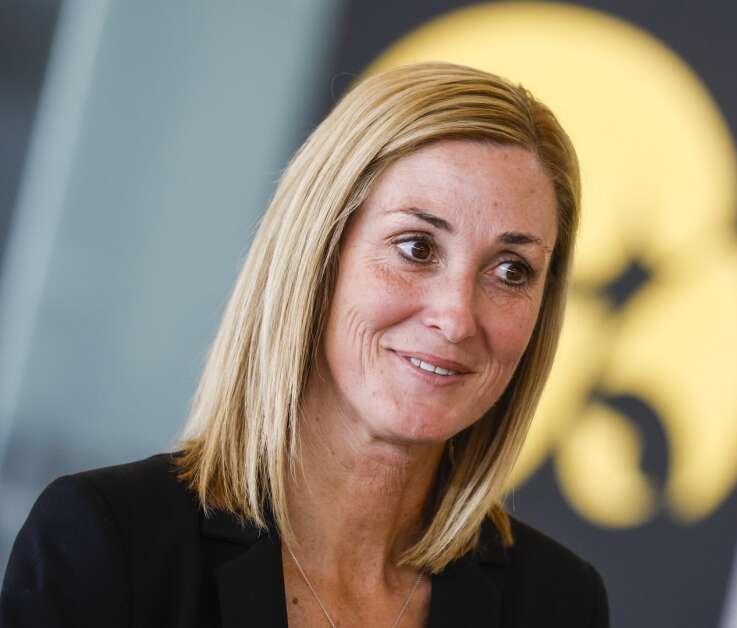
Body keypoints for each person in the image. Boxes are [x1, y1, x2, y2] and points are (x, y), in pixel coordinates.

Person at [1, 62, 609, 627]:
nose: (455, 318)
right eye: (417, 248)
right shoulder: (110, 543)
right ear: (316, 254)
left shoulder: (558, 602)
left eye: (511, 271)